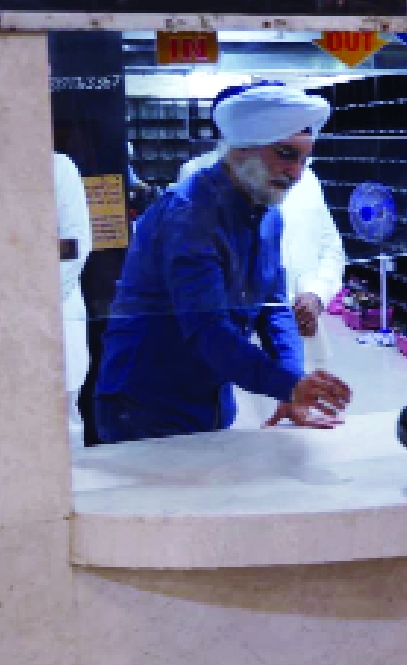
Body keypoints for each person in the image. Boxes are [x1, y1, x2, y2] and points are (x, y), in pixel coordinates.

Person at [94, 85, 352, 444]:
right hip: (144, 406)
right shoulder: (190, 216)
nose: (296, 173)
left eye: (304, 159)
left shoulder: (267, 215)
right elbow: (206, 330)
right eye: (285, 155)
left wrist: (291, 386)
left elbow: (274, 307)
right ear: (242, 150)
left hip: (208, 397)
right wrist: (289, 385)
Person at [180, 84, 345, 343]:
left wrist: (316, 294)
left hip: (295, 329)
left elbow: (331, 247)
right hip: (227, 335)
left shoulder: (307, 179)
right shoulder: (197, 177)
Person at [54, 153, 93, 438]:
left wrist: (39, 303)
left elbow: (75, 246)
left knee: (64, 428)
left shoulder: (59, 168)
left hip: (59, 313)